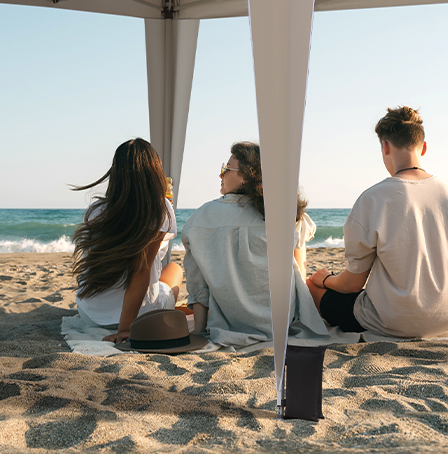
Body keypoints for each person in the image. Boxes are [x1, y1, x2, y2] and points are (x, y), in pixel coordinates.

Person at [306, 106, 448, 338]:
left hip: (397, 322)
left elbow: (351, 286)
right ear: (424, 147)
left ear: (385, 146)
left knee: (313, 288)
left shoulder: (374, 198)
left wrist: (325, 279)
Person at [181, 142, 348, 347]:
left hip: (232, 323)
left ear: (245, 176)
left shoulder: (200, 218)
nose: (220, 175)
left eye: (226, 168)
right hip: (280, 321)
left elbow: (198, 286)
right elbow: (299, 270)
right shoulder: (284, 212)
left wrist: (199, 332)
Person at [70, 138, 184, 344]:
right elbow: (140, 271)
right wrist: (125, 328)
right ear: (155, 173)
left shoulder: (97, 211)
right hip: (135, 318)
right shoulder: (159, 209)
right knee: (175, 269)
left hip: (90, 314)